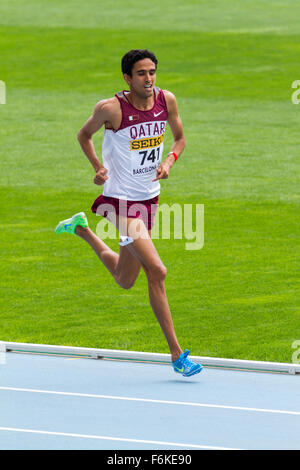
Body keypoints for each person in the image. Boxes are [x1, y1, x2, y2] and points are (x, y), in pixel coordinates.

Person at [55, 49, 202, 377]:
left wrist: (168, 161)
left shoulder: (167, 101)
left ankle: (81, 229)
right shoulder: (110, 109)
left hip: (149, 199)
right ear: (127, 78)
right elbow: (83, 135)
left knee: (125, 278)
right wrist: (97, 167)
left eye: (152, 72)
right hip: (120, 202)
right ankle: (178, 355)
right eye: (141, 73)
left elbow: (179, 139)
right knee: (158, 271)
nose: (148, 79)